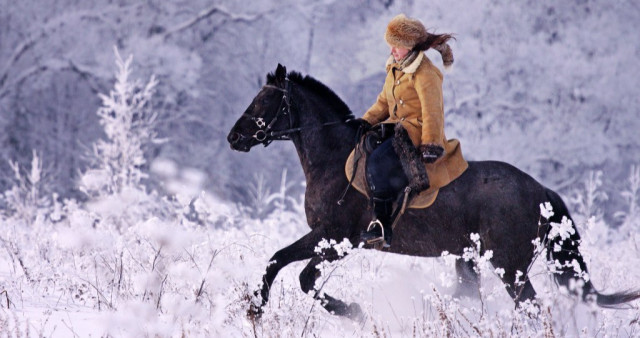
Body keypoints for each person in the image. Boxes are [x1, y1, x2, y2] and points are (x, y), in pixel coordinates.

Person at [358, 14, 468, 247]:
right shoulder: (395, 67)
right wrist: (365, 121)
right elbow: (383, 103)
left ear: (409, 46)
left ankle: (382, 225)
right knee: (366, 147)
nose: (392, 50)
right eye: (391, 45)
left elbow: (433, 112)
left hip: (416, 131)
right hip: (396, 126)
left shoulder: (426, 73)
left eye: (396, 46)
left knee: (379, 161)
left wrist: (430, 144)